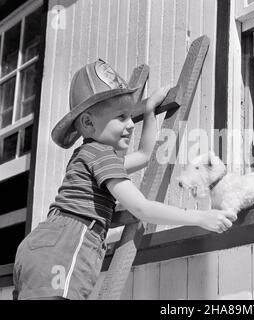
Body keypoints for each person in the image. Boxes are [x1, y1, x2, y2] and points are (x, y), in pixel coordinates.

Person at [13, 59, 236, 300]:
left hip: (38, 247)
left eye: (130, 116)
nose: (130, 124)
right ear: (88, 123)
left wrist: (149, 111)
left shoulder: (85, 155)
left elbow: (143, 156)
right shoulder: (101, 155)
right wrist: (201, 217)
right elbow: (141, 208)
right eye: (121, 117)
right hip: (66, 244)